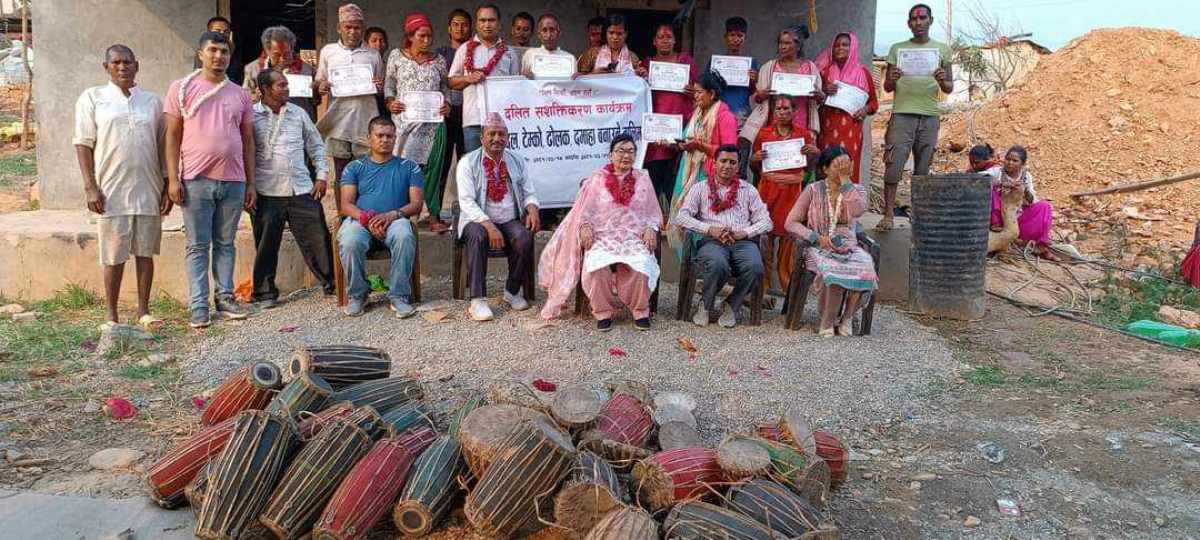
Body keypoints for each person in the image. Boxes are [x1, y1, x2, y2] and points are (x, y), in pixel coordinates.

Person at [165, 31, 256, 328]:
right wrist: (173, 179)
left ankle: (225, 296)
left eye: (224, 52)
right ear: (201, 53)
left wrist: (250, 182)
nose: (219, 57)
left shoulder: (239, 94)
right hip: (195, 179)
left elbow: (248, 141)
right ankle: (198, 305)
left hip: (233, 180)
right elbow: (173, 136)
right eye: (213, 50)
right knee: (197, 245)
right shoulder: (181, 89)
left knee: (226, 243)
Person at [74, 45, 169, 327]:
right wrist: (90, 186)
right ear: (106, 67)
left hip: (148, 187)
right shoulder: (93, 98)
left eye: (127, 62)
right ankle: (111, 315)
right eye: (115, 62)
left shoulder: (152, 102)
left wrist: (166, 186)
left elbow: (163, 145)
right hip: (111, 189)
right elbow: (82, 143)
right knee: (113, 255)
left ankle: (143, 311)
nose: (122, 67)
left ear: (137, 65)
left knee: (145, 252)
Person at [538, 133, 662, 330]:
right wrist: (585, 226)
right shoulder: (597, 179)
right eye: (620, 151)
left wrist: (650, 228)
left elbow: (653, 212)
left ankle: (640, 310)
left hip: (633, 236)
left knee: (642, 263)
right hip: (602, 235)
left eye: (631, 151)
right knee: (596, 265)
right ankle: (602, 311)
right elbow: (584, 211)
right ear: (610, 155)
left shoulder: (643, 178)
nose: (626, 156)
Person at [249, 69, 335, 308]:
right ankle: (265, 293)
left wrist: (321, 176)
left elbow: (316, 146)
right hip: (266, 191)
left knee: (318, 238)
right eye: (281, 85)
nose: (286, 89)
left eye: (286, 84)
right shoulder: (251, 116)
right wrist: (249, 187)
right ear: (265, 90)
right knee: (265, 244)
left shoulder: (298, 113)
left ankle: (333, 285)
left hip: (301, 188)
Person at [673, 144, 770, 328]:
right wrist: (710, 229)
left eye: (732, 162)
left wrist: (744, 233)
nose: (727, 166)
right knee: (718, 265)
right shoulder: (700, 188)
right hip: (712, 241)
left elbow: (766, 221)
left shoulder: (748, 190)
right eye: (723, 161)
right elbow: (681, 217)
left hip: (742, 241)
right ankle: (706, 304)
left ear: (739, 165)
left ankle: (732, 304)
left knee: (756, 267)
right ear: (714, 163)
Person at [784, 146, 877, 337]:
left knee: (866, 267)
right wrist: (816, 238)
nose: (845, 168)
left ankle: (848, 317)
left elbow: (858, 210)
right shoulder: (813, 190)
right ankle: (828, 320)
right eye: (838, 165)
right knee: (832, 271)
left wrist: (845, 181)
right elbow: (790, 223)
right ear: (825, 169)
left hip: (848, 246)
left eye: (847, 164)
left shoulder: (857, 190)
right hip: (818, 246)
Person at [455, 113, 540, 322]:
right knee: (478, 236)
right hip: (476, 220)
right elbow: (466, 201)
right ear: (482, 137)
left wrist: (533, 209)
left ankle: (511, 291)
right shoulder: (467, 162)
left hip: (509, 219)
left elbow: (529, 191)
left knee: (524, 237)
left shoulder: (516, 160)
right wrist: (489, 226)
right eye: (491, 134)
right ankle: (478, 300)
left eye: (501, 134)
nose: (496, 138)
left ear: (507, 137)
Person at [337, 116, 424, 318]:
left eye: (390, 136)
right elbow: (345, 205)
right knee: (349, 240)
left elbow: (416, 204)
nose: (385, 140)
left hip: (395, 219)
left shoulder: (410, 167)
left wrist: (392, 215)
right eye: (380, 135)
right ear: (369, 138)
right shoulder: (354, 167)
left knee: (404, 235)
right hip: (361, 220)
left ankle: (399, 296)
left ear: (395, 139)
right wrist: (368, 219)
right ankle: (358, 295)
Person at [879, 3, 954, 230]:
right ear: (909, 23)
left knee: (923, 171)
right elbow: (888, 86)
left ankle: (919, 216)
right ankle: (889, 215)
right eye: (914, 19)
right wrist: (891, 77)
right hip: (902, 115)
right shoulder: (897, 49)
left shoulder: (942, 49)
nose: (918, 22)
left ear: (930, 21)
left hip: (930, 116)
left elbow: (949, 87)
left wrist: (942, 79)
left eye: (922, 18)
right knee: (893, 166)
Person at [385, 13, 451, 233]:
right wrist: (390, 102)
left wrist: (447, 104)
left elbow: (444, 87)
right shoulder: (396, 56)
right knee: (405, 170)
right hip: (405, 125)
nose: (427, 40)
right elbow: (389, 86)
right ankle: (402, 216)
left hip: (433, 125)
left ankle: (432, 216)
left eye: (429, 36)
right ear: (410, 36)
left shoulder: (439, 60)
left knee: (433, 171)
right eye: (422, 36)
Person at [749, 95, 820, 293]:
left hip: (792, 192)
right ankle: (760, 289)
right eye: (778, 109)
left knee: (790, 238)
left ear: (795, 112)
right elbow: (754, 168)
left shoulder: (803, 134)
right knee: (765, 236)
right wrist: (755, 158)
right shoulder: (763, 134)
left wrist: (814, 153)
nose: (782, 112)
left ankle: (788, 289)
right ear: (773, 112)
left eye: (786, 109)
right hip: (768, 189)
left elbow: (809, 169)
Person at [316, 3, 385, 191]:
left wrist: (379, 86)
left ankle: (363, 216)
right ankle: (342, 216)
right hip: (338, 121)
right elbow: (319, 81)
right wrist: (322, 86)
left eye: (357, 27)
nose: (353, 32)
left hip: (365, 120)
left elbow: (379, 89)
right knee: (341, 172)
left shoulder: (373, 55)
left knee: (365, 171)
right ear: (339, 28)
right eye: (348, 27)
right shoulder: (328, 52)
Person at [667, 70, 738, 253]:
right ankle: (686, 268)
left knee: (702, 220)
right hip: (688, 170)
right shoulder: (697, 113)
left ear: (712, 94)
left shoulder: (725, 117)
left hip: (708, 175)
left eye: (699, 92)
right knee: (684, 216)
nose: (695, 96)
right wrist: (673, 143)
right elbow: (686, 138)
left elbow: (729, 153)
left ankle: (702, 264)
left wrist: (700, 145)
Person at [742, 25, 822, 172]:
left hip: (802, 123)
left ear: (798, 46)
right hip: (774, 123)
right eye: (780, 43)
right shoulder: (770, 67)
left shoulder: (810, 68)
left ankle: (797, 191)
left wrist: (819, 96)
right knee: (774, 161)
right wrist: (763, 94)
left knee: (798, 162)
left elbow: (818, 99)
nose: (782, 47)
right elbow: (757, 97)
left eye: (787, 43)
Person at [448, 4, 519, 154]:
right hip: (473, 121)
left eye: (491, 20)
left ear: (499, 24)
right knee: (475, 167)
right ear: (477, 24)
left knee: (501, 168)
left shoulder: (509, 53)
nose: (487, 25)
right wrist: (468, 78)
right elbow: (451, 82)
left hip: (501, 122)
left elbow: (516, 89)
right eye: (483, 20)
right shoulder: (464, 49)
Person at [644, 23, 697, 207]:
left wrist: (693, 91)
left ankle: (675, 221)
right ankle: (656, 220)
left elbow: (700, 91)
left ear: (675, 40)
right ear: (654, 42)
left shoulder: (685, 61)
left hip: (681, 126)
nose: (665, 40)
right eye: (661, 37)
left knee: (677, 176)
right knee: (655, 175)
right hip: (656, 128)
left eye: (668, 36)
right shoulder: (647, 64)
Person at [815, 32, 878, 186]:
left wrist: (864, 110)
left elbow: (874, 103)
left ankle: (847, 208)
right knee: (826, 166)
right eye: (836, 45)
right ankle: (826, 207)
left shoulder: (863, 73)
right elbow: (813, 98)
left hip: (852, 131)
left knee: (848, 168)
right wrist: (824, 91)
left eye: (845, 45)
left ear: (853, 48)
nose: (840, 48)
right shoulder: (824, 72)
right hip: (827, 130)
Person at [976, 145, 1058, 260]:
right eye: (1008, 159)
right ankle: (997, 226)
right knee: (990, 188)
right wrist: (1000, 184)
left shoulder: (1026, 176)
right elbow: (978, 178)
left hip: (1017, 218)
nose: (1010, 163)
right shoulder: (997, 172)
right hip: (999, 217)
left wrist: (1026, 192)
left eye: (1015, 161)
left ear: (1022, 164)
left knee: (1045, 206)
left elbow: (1032, 200)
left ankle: (1042, 246)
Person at [706, 17, 758, 176]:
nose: (736, 40)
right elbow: (708, 90)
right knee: (717, 164)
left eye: (740, 36)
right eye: (732, 35)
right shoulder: (716, 63)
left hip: (742, 120)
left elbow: (755, 93)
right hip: (718, 118)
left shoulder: (752, 64)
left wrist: (754, 81)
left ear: (745, 38)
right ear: (725, 37)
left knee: (738, 167)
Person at [436, 8, 472, 222]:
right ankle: (436, 212)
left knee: (467, 167)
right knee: (441, 166)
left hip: (468, 118)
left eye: (464, 24)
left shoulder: (474, 52)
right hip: (445, 118)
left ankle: (467, 213)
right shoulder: (440, 55)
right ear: (449, 28)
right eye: (456, 24)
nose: (460, 28)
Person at [244, 26, 320, 120]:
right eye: (277, 55)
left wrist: (316, 92)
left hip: (298, 125)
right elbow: (244, 101)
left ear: (292, 49)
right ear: (267, 51)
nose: (282, 59)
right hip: (265, 125)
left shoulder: (307, 71)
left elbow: (315, 102)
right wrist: (255, 97)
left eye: (286, 54)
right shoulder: (253, 70)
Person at [577, 14, 646, 76]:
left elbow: (637, 82)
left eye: (619, 34)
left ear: (626, 34)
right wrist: (594, 74)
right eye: (611, 32)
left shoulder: (632, 57)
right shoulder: (592, 54)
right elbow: (578, 80)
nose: (615, 37)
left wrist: (641, 74)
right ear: (606, 32)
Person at [520, 14, 575, 78]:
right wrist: (526, 77)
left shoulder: (570, 59)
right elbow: (523, 83)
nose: (549, 35)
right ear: (539, 34)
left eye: (552, 30)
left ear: (559, 33)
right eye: (544, 30)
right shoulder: (529, 55)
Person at [195, 16, 244, 85]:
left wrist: (230, 53)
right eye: (217, 30)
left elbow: (237, 77)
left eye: (226, 32)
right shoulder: (204, 51)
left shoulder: (234, 50)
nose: (222, 33)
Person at [365, 26, 391, 117]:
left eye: (382, 40)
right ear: (366, 44)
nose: (378, 44)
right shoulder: (362, 67)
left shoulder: (391, 65)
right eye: (374, 41)